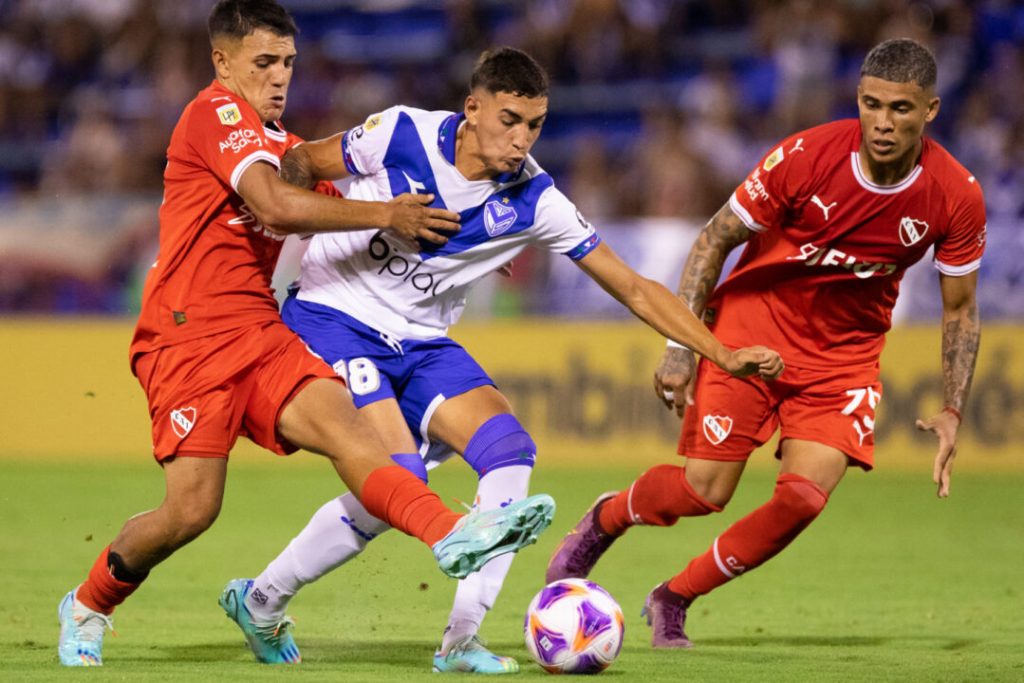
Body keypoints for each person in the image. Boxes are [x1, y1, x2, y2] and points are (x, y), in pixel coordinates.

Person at [220, 47, 784, 673]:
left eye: (535, 125)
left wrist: (717, 353)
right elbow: (300, 160)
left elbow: (633, 287)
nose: (521, 140)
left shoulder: (535, 200)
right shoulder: (399, 131)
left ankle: (460, 642)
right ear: (473, 109)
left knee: (511, 452)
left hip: (425, 342)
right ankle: (263, 599)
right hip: (336, 319)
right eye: (509, 120)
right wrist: (313, 220)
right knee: (401, 475)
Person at [57, 1, 559, 667]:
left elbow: (323, 199)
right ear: (223, 61)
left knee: (356, 437)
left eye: (288, 62)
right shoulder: (215, 114)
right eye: (264, 61)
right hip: (187, 340)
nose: (278, 75)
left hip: (260, 331)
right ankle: (89, 603)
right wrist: (387, 211)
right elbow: (275, 206)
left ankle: (452, 533)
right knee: (190, 511)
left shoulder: (282, 147)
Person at [546, 37, 985, 649]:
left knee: (804, 498)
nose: (883, 123)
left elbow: (960, 310)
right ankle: (608, 516)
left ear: (930, 110)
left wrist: (953, 408)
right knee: (704, 492)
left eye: (901, 109)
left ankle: (674, 596)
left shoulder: (955, 194)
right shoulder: (803, 158)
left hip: (844, 358)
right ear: (857, 98)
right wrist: (682, 348)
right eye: (871, 104)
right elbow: (712, 241)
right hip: (750, 333)